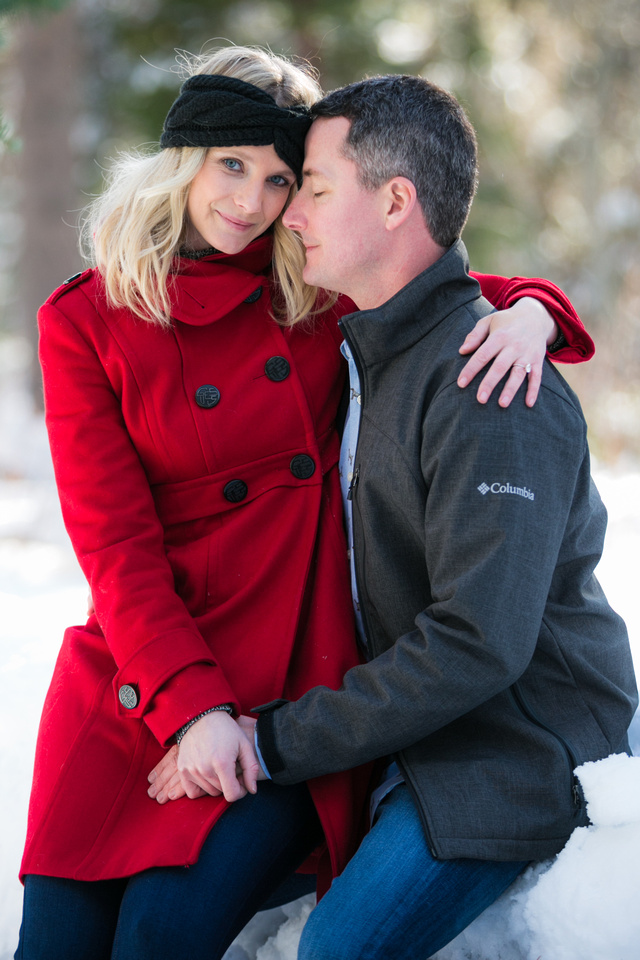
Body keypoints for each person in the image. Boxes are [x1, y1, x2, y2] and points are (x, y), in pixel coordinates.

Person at [16, 45, 593, 960]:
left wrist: (534, 311)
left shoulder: (308, 293)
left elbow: (434, 288)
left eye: (285, 178)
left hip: (286, 675)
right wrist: (189, 706)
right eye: (231, 164)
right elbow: (114, 544)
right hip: (147, 666)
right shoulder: (85, 320)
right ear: (183, 159)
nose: (252, 201)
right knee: (55, 941)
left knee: (159, 935)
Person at [219, 76, 636, 958]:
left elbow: (479, 642)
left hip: (515, 756)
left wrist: (283, 738)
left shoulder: (490, 386)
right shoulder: (373, 347)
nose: (291, 215)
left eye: (317, 189)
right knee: (177, 896)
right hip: (409, 737)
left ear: (397, 199)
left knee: (331, 951)